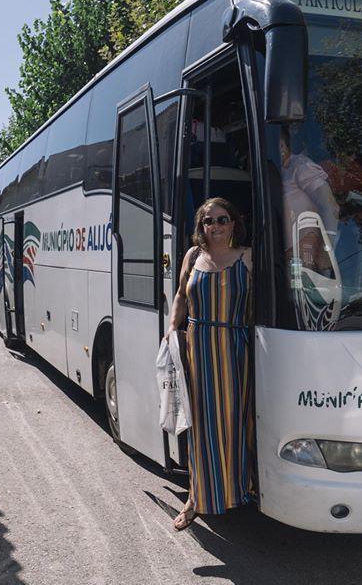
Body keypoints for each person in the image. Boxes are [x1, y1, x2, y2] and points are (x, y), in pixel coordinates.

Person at [165, 197, 254, 531]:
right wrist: (172, 329)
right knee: (201, 426)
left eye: (222, 219)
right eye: (208, 221)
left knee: (235, 423)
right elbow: (180, 296)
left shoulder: (248, 257)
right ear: (200, 226)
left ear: (233, 223)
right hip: (197, 349)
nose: (215, 226)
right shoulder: (192, 256)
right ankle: (196, 498)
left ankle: (239, 491)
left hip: (235, 349)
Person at [279, 129, 339, 273]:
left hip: (305, 255)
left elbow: (330, 206)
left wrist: (326, 250)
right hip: (285, 254)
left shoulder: (301, 167)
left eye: (280, 145)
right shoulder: (278, 169)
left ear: (285, 144)